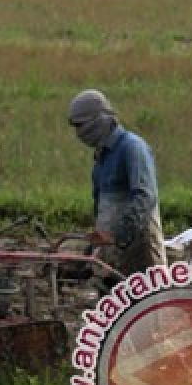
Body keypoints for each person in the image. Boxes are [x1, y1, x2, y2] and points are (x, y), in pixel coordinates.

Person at [67, 89, 166, 276]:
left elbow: (145, 197)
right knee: (111, 301)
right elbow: (104, 208)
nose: (79, 133)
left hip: (140, 248)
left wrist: (118, 234)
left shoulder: (132, 148)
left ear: (100, 119)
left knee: (145, 302)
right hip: (111, 252)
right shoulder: (101, 158)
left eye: (81, 125)